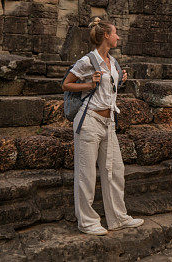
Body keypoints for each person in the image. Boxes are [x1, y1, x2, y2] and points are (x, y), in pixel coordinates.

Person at [61, 17, 144, 235]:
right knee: (86, 174)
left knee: (115, 170)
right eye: (115, 33)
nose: (118, 37)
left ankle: (118, 218)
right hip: (88, 121)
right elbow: (65, 84)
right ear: (106, 36)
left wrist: (121, 80)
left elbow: (111, 90)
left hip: (109, 122)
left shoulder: (113, 62)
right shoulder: (88, 61)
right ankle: (87, 222)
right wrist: (89, 84)